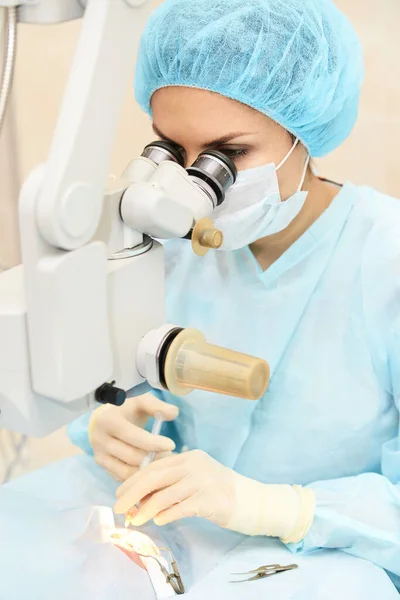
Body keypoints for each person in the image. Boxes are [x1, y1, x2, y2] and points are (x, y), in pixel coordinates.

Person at [68, 0, 400, 588]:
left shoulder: (386, 259)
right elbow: (122, 385)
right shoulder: (163, 246)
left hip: (337, 560)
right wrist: (111, 424)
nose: (192, 186)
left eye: (230, 155)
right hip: (179, 537)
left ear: (304, 130)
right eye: (170, 149)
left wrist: (280, 508)